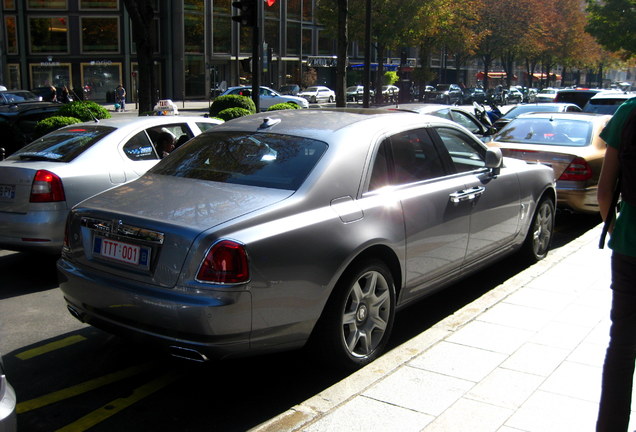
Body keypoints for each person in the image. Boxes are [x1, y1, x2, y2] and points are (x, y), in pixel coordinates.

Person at [596, 96, 636, 432]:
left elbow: (604, 192)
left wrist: (615, 229)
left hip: (630, 247)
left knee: (622, 345)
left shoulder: (628, 112)